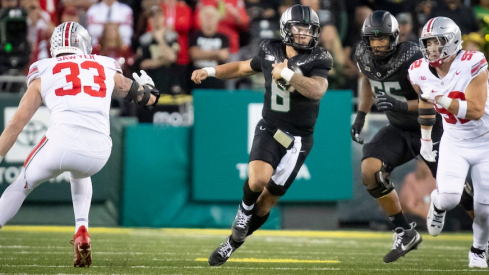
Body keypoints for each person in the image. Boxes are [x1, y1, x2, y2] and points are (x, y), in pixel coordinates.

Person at [0, 22, 160, 267]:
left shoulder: (44, 69)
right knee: (80, 171)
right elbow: (147, 99)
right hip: (99, 151)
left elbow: (17, 124)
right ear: (83, 43)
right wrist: (149, 87)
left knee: (22, 183)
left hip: (62, 144)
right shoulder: (105, 66)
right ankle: (82, 228)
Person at [191, 4, 331, 266]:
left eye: (308, 29)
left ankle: (231, 244)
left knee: (266, 203)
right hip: (271, 126)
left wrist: (288, 74)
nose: (303, 34)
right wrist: (211, 71)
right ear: (285, 30)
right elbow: (243, 67)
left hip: (298, 139)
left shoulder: (320, 58)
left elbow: (317, 90)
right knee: (257, 180)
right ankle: (243, 211)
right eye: (298, 28)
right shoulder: (270, 49)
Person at [350, 10, 442, 263]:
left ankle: (483, 240)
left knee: (455, 193)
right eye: (373, 39)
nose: (377, 45)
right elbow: (367, 80)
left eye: (382, 39)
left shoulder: (412, 56)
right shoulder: (362, 53)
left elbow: (431, 101)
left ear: (395, 37)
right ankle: (404, 231)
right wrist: (361, 115)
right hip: (400, 129)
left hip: (431, 128)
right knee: (371, 171)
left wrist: (400, 105)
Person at [409, 16, 489, 269]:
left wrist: (441, 99)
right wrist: (424, 138)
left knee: (485, 209)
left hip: (485, 141)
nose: (432, 48)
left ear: (453, 41)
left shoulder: (473, 62)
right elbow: (424, 100)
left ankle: (478, 250)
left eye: (438, 42)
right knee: (449, 199)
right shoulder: (418, 70)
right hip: (454, 141)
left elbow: (475, 110)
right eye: (428, 43)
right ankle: (437, 201)